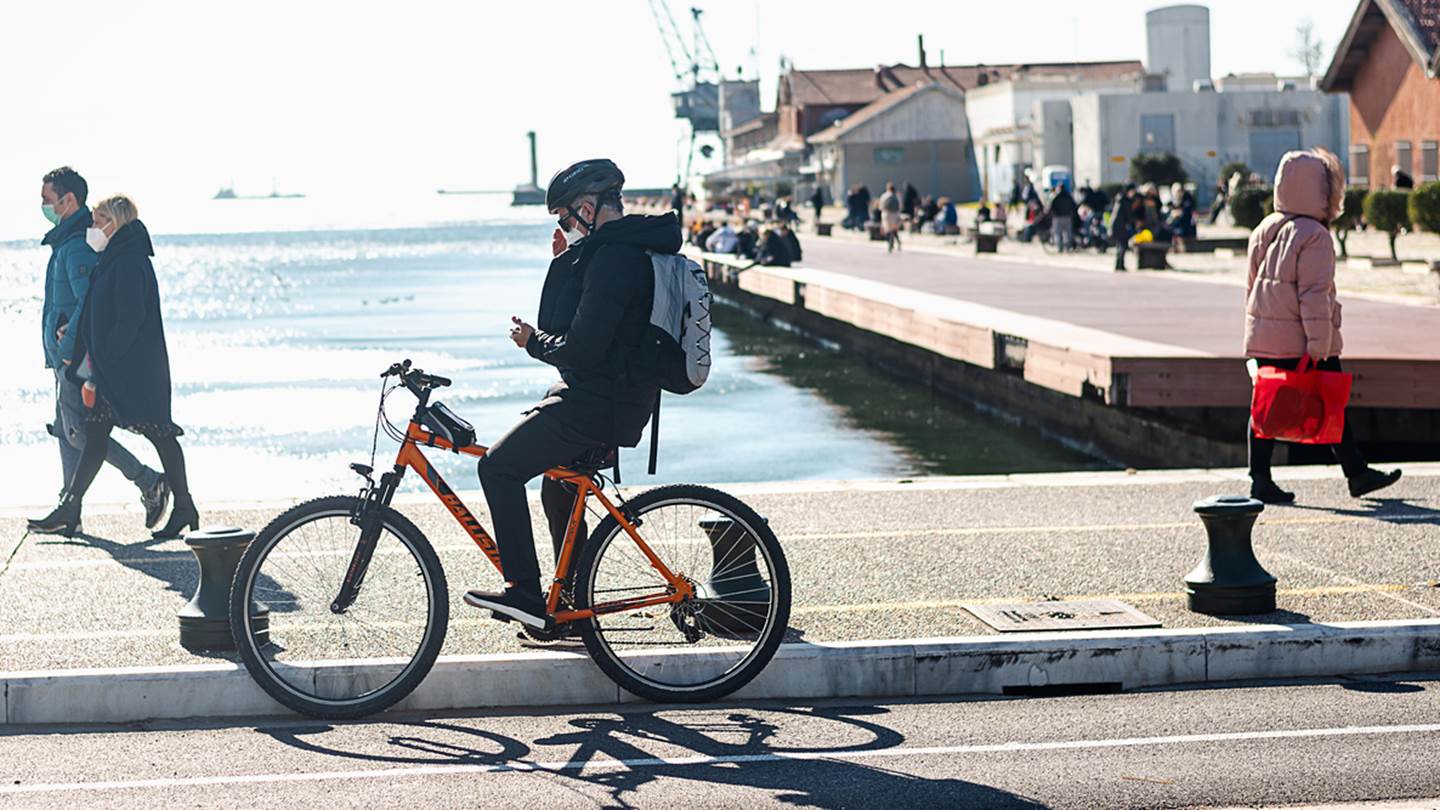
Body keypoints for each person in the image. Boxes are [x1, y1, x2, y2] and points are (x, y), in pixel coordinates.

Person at [464, 159, 678, 633]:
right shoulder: (623, 250)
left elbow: (576, 350)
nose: (564, 227)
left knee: (497, 467)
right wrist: (562, 263)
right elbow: (574, 333)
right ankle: (571, 608)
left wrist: (530, 342)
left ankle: (523, 592)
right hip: (611, 397)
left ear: (586, 208)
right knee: (557, 486)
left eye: (565, 219)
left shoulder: (614, 260)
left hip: (599, 404)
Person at [30, 195, 197, 539]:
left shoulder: (129, 261)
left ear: (113, 223)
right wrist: (77, 337)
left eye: (96, 220)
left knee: (160, 434)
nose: (91, 227)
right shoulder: (113, 257)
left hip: (134, 371)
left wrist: (102, 360)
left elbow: (130, 319)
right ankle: (70, 507)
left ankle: (184, 507)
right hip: (113, 368)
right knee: (95, 438)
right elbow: (99, 308)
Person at [1244, 149, 1402, 504]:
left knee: (1263, 407)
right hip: (1303, 340)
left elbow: (1252, 285)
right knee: (1331, 402)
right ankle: (1356, 473)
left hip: (1266, 337)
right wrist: (1320, 344)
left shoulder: (1265, 228)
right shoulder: (1314, 235)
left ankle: (1260, 478)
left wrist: (1253, 337)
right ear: (1325, 190)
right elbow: (1314, 295)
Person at [1110, 184, 1137, 270]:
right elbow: (1128, 216)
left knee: (1120, 245)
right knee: (1122, 245)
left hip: (1116, 225)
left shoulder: (1119, 200)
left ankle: (1118, 264)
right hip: (1120, 226)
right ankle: (1120, 265)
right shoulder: (1126, 201)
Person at [1046, 184, 1077, 252]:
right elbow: (1074, 206)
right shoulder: (1068, 196)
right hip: (1067, 217)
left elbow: (1050, 207)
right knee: (1067, 233)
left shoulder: (1055, 196)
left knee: (1058, 233)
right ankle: (1067, 248)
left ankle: (1060, 247)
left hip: (1057, 217)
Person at [1166, 182, 1196, 251]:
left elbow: (1186, 215)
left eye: (1180, 191)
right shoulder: (1170, 203)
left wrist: (1178, 214)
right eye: (1176, 192)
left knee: (1179, 231)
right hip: (1174, 225)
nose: (1178, 194)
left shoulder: (1187, 201)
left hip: (1185, 226)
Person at [878, 182, 903, 253]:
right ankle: (897, 241)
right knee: (894, 229)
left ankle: (890, 243)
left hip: (887, 214)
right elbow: (900, 206)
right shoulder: (897, 196)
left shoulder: (884, 196)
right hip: (896, 214)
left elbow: (881, 206)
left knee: (888, 230)